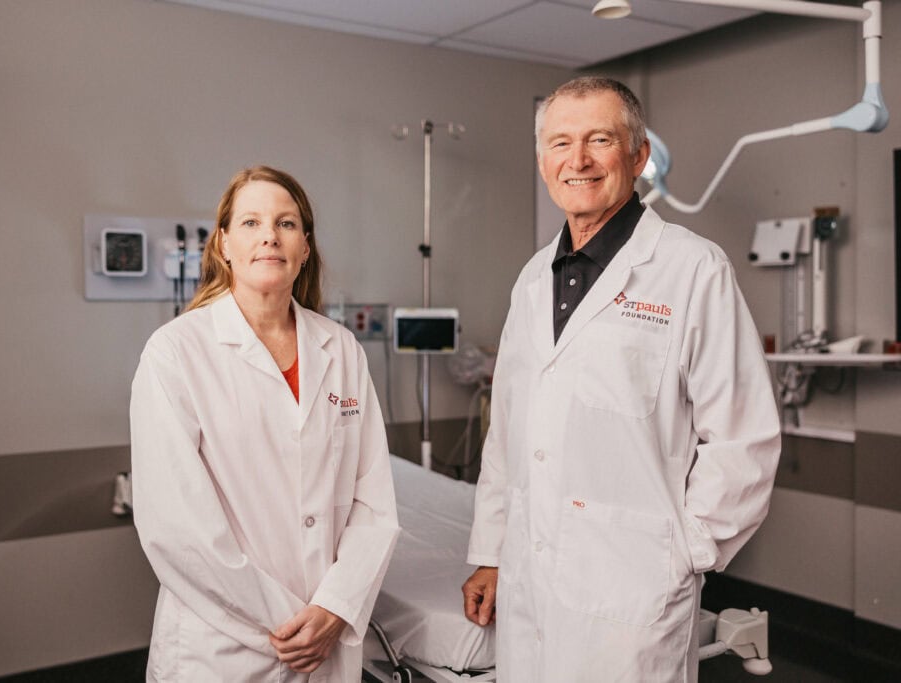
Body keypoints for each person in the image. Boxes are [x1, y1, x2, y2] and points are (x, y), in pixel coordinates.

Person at [461, 77, 781, 682]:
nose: (576, 160)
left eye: (599, 140)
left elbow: (744, 439)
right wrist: (489, 555)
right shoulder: (533, 278)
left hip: (635, 592)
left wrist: (684, 553)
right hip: (530, 582)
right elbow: (507, 434)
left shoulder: (691, 269)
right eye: (560, 143)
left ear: (637, 157)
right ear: (541, 160)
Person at [131, 165, 399, 682]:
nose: (270, 236)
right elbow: (176, 526)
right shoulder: (175, 352)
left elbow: (374, 499)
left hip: (325, 633)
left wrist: (336, 607)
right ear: (224, 244)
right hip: (224, 646)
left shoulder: (340, 348)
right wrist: (289, 623)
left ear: (304, 247)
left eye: (287, 223)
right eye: (251, 223)